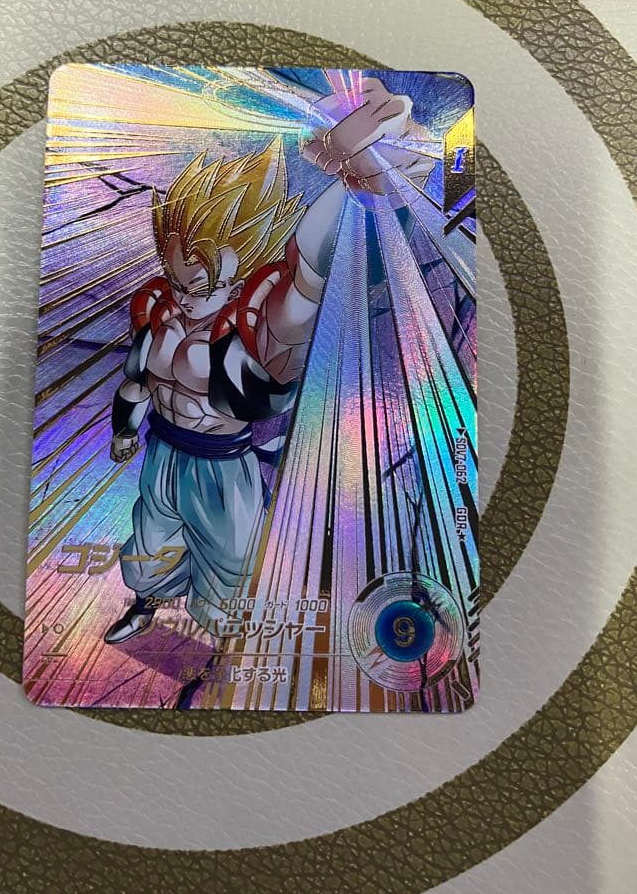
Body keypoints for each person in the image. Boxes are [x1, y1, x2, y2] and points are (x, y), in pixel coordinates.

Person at [103, 77, 432, 644]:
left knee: (229, 563)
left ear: (238, 273)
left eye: (199, 282)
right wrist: (125, 429)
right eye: (178, 276)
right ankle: (147, 603)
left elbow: (306, 280)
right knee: (149, 544)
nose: (184, 292)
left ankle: (223, 643)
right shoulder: (159, 310)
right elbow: (136, 380)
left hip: (222, 464)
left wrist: (357, 185)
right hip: (162, 452)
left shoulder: (252, 324)